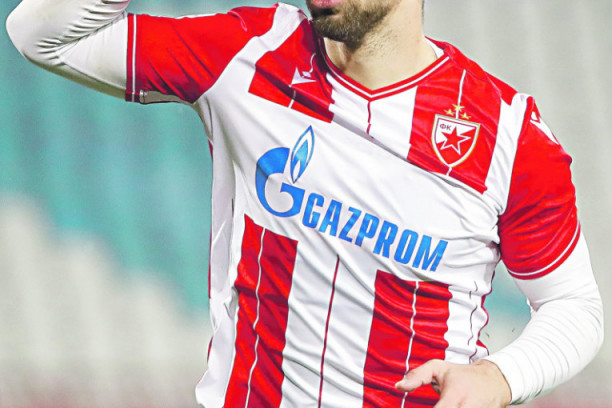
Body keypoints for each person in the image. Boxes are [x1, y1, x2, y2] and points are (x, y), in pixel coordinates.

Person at [6, 0, 604, 407]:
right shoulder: (247, 51)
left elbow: (574, 307)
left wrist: (500, 378)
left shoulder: (506, 134)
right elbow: (38, 35)